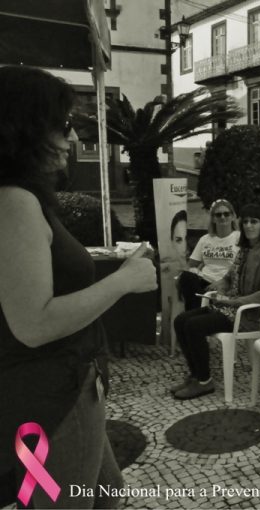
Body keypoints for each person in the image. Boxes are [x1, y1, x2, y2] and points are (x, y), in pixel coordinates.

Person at [0, 66, 158, 508]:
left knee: (106, 494)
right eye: (63, 124)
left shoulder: (21, 198)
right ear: (26, 129)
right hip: (50, 401)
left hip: (60, 390)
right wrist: (123, 281)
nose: (71, 138)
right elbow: (33, 323)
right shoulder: (14, 202)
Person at [172, 204, 260, 400]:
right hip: (229, 308)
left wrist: (235, 301)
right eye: (245, 222)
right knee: (180, 321)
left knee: (194, 326)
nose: (248, 226)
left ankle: (204, 381)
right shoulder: (245, 250)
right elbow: (229, 278)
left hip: (248, 315)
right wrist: (219, 287)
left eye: (254, 222)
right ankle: (196, 375)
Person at [177, 199, 240, 310]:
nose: (222, 217)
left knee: (196, 299)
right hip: (204, 281)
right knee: (186, 277)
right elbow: (190, 265)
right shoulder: (205, 239)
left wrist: (223, 282)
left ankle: (197, 312)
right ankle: (198, 311)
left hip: (225, 283)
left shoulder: (239, 238)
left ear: (233, 217)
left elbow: (242, 266)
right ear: (213, 219)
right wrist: (180, 277)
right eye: (218, 215)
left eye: (226, 214)